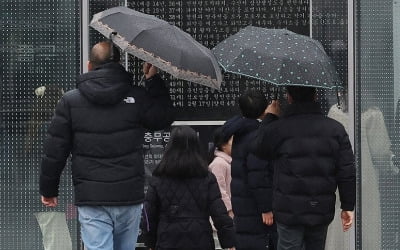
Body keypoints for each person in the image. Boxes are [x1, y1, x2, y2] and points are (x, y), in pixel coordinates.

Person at [39, 41, 175, 250]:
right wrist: (153, 80)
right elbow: (163, 118)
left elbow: (55, 150)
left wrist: (49, 190)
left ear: (89, 65)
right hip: (129, 194)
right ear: (120, 64)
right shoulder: (137, 97)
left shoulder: (71, 101)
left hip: (92, 196)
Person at [252, 86, 356, 250]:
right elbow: (346, 170)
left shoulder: (279, 128)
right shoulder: (335, 129)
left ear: (289, 97)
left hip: (288, 209)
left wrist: (271, 116)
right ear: (315, 96)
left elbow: (258, 148)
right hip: (320, 207)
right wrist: (348, 205)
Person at [143, 126, 235, 250]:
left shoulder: (159, 178)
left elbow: (149, 215)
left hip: (167, 240)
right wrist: (229, 242)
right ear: (196, 147)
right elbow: (219, 213)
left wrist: (150, 242)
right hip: (201, 239)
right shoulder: (206, 177)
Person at [229, 90, 277, 250]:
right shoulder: (257, 136)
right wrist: (266, 208)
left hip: (245, 207)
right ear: (264, 108)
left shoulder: (242, 131)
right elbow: (258, 174)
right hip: (257, 210)